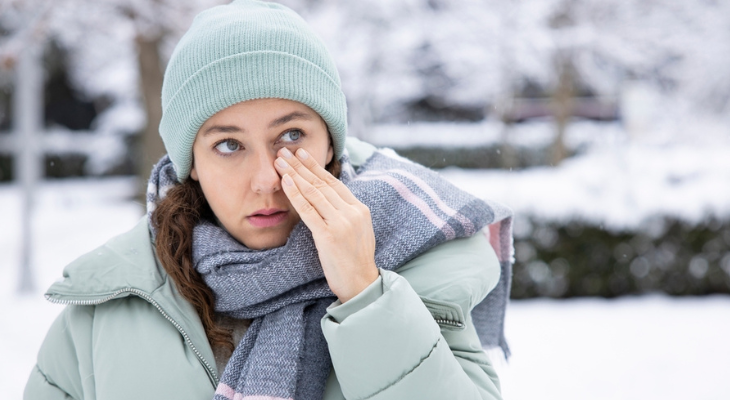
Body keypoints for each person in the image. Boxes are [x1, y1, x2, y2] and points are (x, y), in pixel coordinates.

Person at [24, 1, 513, 399]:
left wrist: (366, 294)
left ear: (330, 145)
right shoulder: (108, 306)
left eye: (292, 135)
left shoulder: (418, 262)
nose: (266, 180)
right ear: (191, 163)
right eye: (228, 145)